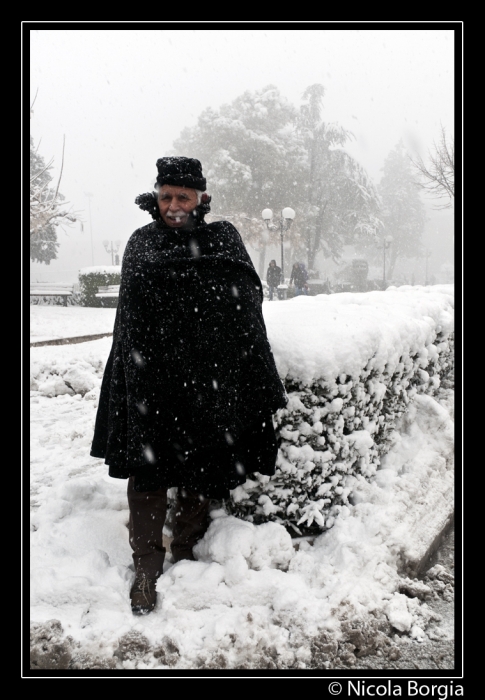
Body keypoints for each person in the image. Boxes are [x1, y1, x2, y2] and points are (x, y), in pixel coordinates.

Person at [90, 157, 287, 615]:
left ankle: (184, 546)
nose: (174, 206)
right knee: (147, 470)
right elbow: (132, 316)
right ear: (156, 199)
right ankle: (145, 566)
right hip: (151, 379)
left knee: (202, 463)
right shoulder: (142, 242)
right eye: (166, 197)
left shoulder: (223, 239)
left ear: (201, 198)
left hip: (206, 379)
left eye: (183, 197)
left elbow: (245, 303)